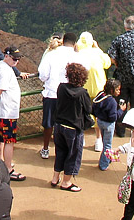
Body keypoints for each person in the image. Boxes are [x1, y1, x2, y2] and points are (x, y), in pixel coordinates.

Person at [37, 32, 85, 159]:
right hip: (71, 95)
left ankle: (46, 149)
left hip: (52, 93)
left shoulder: (51, 55)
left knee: (49, 123)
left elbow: (43, 75)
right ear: (74, 44)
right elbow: (85, 72)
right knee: (70, 123)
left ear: (63, 41)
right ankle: (68, 150)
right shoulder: (78, 57)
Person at [49, 62, 92, 192]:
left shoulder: (61, 88)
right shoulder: (82, 93)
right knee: (73, 155)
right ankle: (66, 182)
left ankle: (55, 178)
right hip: (73, 128)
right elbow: (88, 109)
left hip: (59, 126)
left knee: (60, 151)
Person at [0, 46, 26, 181]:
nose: (16, 62)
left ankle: (0, 164)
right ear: (6, 56)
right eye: (14, 59)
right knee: (9, 141)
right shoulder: (5, 71)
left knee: (0, 138)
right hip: (7, 112)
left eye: (18, 59)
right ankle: (8, 169)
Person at [76, 31, 112, 151]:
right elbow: (107, 63)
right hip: (98, 88)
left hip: (83, 89)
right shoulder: (97, 52)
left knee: (81, 112)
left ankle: (82, 138)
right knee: (98, 114)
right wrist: (98, 49)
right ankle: (98, 140)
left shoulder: (78, 54)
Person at [93, 78, 125, 170]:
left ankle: (107, 159)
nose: (119, 92)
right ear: (112, 90)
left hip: (100, 122)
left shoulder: (100, 96)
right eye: (117, 89)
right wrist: (120, 110)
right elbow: (113, 117)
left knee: (105, 142)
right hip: (108, 125)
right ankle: (104, 164)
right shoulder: (112, 102)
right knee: (107, 145)